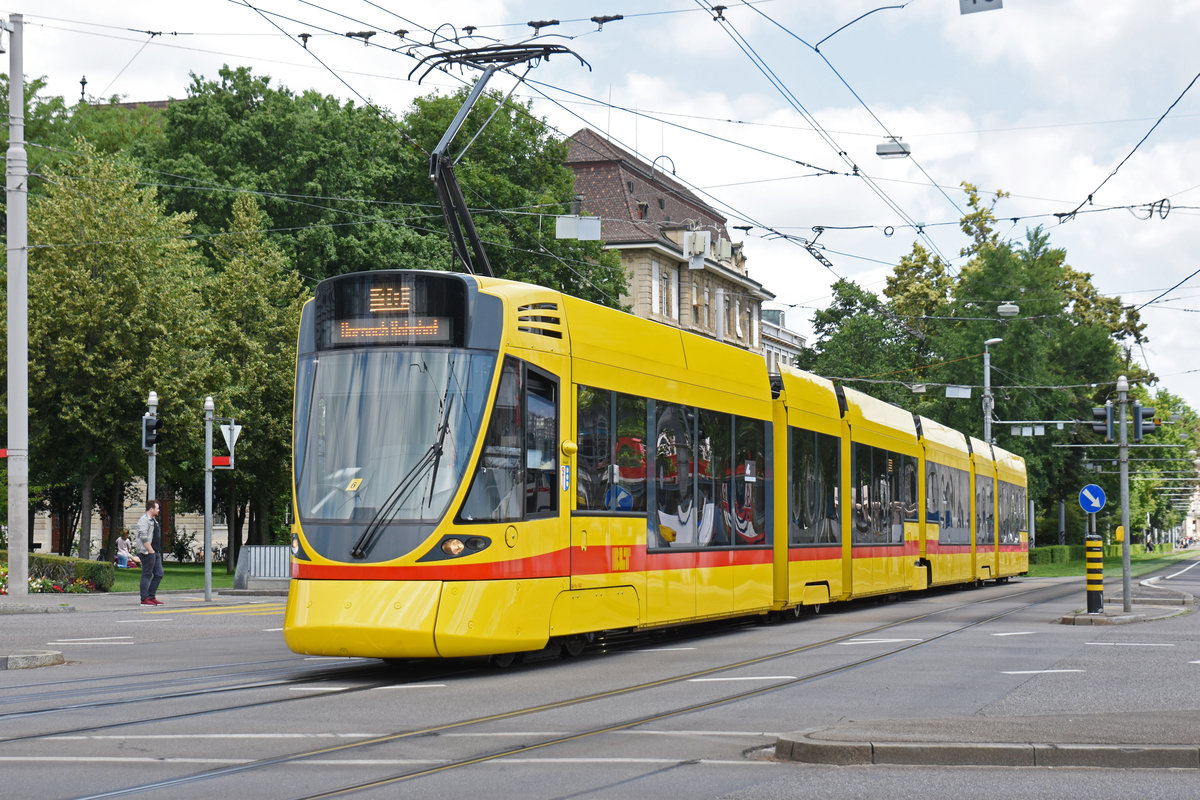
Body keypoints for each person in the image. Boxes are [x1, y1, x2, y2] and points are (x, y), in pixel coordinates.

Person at [135, 500, 164, 606]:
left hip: (155, 552)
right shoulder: (144, 520)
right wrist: (150, 550)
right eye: (157, 508)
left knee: (159, 574)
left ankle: (151, 596)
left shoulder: (154, 520)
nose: (158, 510)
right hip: (147, 552)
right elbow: (143, 536)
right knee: (147, 574)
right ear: (151, 509)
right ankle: (144, 599)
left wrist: (155, 551)